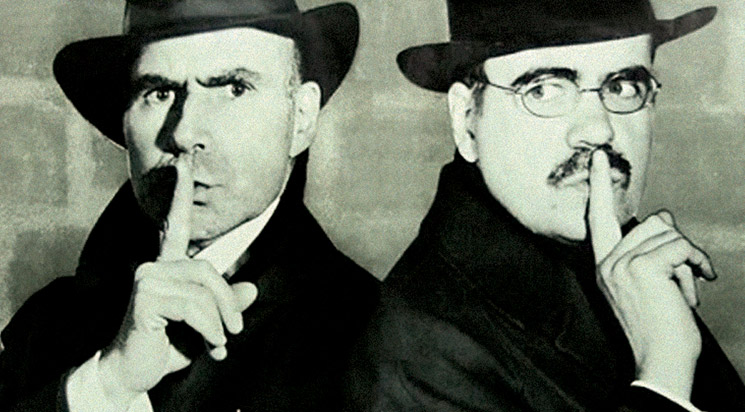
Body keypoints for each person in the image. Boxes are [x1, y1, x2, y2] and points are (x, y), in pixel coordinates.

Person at [345, 1, 745, 411]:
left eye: (623, 87)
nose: (598, 130)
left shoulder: (636, 269)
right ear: (466, 119)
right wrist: (663, 377)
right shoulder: (420, 355)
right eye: (544, 89)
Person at [0, 1, 379, 411]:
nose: (183, 132)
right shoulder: (48, 324)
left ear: (301, 117)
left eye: (234, 88)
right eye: (159, 93)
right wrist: (108, 384)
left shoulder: (370, 335)